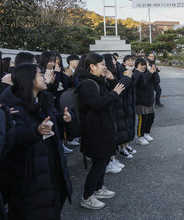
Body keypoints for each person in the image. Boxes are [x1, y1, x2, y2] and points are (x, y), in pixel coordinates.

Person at [0, 63, 73, 219]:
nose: (46, 77)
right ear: (28, 80)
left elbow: (52, 116)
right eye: (41, 74)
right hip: (29, 175)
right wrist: (37, 131)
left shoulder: (43, 99)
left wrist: (63, 118)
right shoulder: (13, 107)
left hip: (50, 167)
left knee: (52, 206)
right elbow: (15, 137)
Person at [78, 53, 125, 210]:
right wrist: (114, 92)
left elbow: (116, 96)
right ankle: (87, 196)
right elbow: (99, 103)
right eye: (102, 64)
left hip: (103, 129)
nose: (105, 67)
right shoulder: (88, 84)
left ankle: (98, 189)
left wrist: (112, 80)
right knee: (98, 164)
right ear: (92, 66)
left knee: (104, 161)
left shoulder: (98, 81)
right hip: (95, 131)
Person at [135, 57, 158, 146]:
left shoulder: (148, 72)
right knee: (142, 119)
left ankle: (146, 133)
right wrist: (150, 73)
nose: (144, 67)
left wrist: (154, 72)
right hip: (141, 100)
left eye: (145, 65)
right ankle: (139, 137)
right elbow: (142, 82)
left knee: (151, 117)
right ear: (137, 65)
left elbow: (157, 81)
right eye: (142, 65)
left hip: (149, 99)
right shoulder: (136, 73)